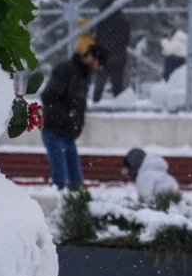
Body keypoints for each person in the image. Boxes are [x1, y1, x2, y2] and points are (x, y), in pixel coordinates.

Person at [39, 44, 105, 191]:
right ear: (89, 57)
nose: (98, 69)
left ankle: (75, 207)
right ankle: (56, 206)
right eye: (98, 63)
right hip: (55, 131)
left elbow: (77, 105)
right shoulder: (66, 70)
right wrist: (65, 119)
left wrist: (75, 126)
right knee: (60, 180)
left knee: (76, 180)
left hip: (68, 133)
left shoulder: (83, 76)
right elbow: (49, 97)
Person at [91, 10, 130, 102]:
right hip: (118, 55)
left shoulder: (101, 22)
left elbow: (95, 38)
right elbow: (126, 40)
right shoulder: (123, 22)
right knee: (117, 83)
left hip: (103, 55)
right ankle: (118, 102)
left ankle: (95, 101)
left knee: (100, 82)